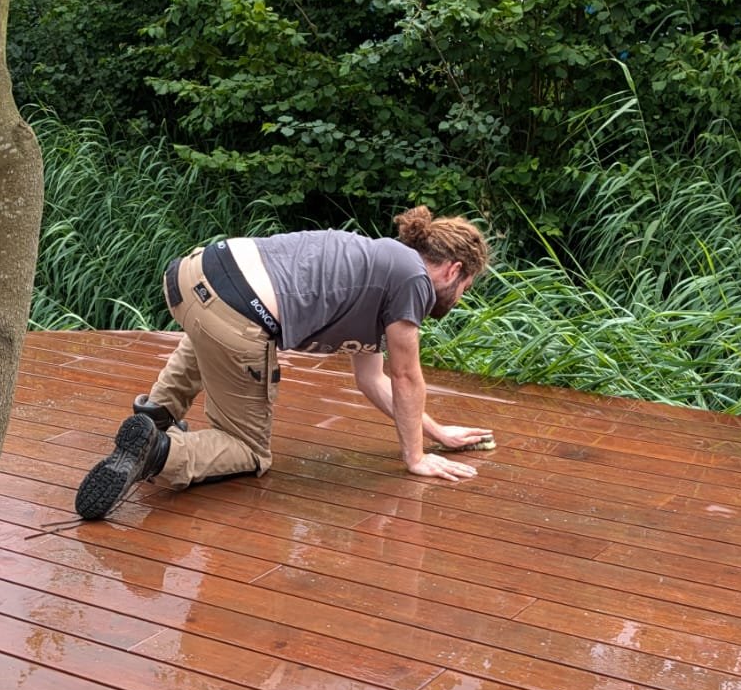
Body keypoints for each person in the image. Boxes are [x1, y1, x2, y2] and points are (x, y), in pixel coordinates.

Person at [74, 206, 495, 521]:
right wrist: (416, 458)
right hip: (238, 309)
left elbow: (373, 379)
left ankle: (154, 417)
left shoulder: (383, 264)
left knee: (215, 333)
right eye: (465, 288)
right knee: (249, 450)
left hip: (193, 275)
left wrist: (435, 430)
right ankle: (158, 451)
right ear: (454, 270)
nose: (458, 300)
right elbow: (407, 377)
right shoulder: (414, 281)